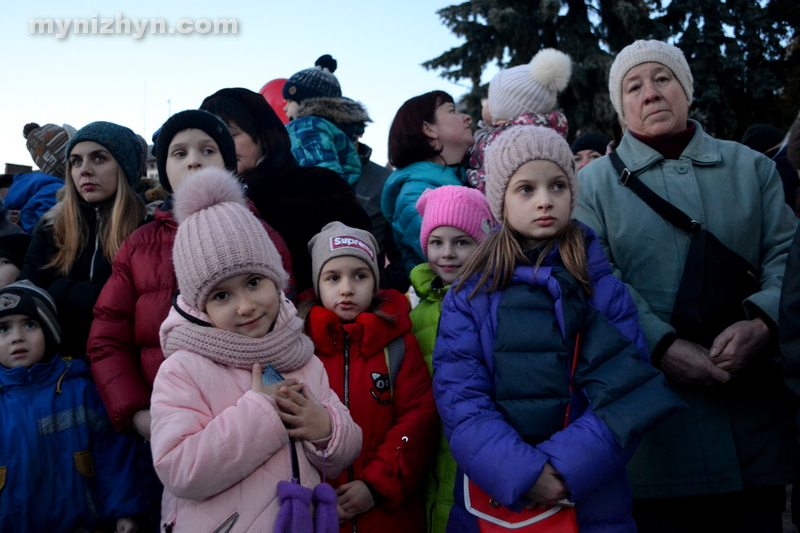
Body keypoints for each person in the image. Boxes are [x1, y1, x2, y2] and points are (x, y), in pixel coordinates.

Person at [575, 39, 800, 532]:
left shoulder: (753, 169)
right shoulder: (590, 189)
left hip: (753, 429)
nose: (651, 93)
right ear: (621, 108)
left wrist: (762, 322)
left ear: (686, 90)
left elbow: (789, 257)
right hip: (656, 437)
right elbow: (594, 279)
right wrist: (663, 346)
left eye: (663, 79)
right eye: (634, 86)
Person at [433, 125, 683, 532]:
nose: (545, 201)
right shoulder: (471, 294)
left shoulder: (602, 289)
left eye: (558, 186)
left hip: (590, 500)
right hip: (495, 506)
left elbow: (626, 395)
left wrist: (565, 471)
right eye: (526, 189)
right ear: (501, 199)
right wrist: (522, 472)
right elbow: (460, 400)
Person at [150, 167, 362, 531]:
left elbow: (342, 453)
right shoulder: (183, 369)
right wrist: (263, 412)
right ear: (201, 307)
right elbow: (180, 469)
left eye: (253, 282)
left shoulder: (300, 354)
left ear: (277, 280)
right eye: (221, 295)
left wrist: (325, 429)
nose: (245, 305)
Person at [301, 222, 438, 532]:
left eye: (359, 276)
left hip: (387, 513)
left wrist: (377, 484)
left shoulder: (399, 344)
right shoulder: (300, 348)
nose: (346, 288)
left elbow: (417, 423)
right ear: (317, 283)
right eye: (333, 277)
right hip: (319, 510)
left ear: (375, 282)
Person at [0, 280, 144, 532]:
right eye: (3, 329)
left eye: (30, 324)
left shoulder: (80, 390)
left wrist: (124, 510)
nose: (18, 337)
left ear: (50, 331)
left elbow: (113, 455)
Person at [200, 87, 370, 293]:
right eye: (211, 143)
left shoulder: (319, 185)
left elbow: (362, 266)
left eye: (231, 135)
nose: (222, 148)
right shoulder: (205, 207)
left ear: (263, 135)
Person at [20, 121, 147, 360]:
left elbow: (143, 308)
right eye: (76, 161)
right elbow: (27, 299)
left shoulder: (149, 227)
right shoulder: (51, 226)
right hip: (58, 370)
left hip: (126, 362)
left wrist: (61, 290)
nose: (84, 170)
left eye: (99, 158)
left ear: (124, 167)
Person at [408, 185, 493, 533]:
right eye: (437, 242)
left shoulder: (491, 303)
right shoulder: (416, 309)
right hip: (429, 440)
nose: (447, 254)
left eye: (462, 242)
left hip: (475, 444)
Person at [381, 91, 474, 276]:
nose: (467, 118)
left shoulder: (470, 177)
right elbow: (455, 264)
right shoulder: (415, 194)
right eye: (453, 111)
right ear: (429, 129)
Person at [466, 48, 572, 192]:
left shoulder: (499, 141)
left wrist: (469, 175)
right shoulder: (547, 135)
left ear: (503, 110)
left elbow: (491, 183)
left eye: (491, 99)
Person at [282, 54, 367, 186]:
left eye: (290, 101)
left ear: (306, 103)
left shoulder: (308, 127)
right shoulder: (334, 129)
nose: (284, 107)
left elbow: (323, 179)